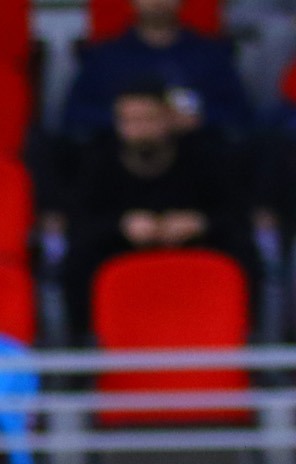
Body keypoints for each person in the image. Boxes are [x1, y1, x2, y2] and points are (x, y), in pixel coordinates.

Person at [64, 82, 249, 337]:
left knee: (242, 251)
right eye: (130, 121)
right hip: (119, 246)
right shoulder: (99, 162)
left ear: (169, 118)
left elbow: (236, 214)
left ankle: (246, 339)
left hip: (194, 245)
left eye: (149, 119)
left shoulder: (203, 157)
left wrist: (199, 222)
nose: (140, 129)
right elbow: (80, 221)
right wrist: (122, 226)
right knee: (78, 260)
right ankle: (83, 343)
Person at [62, 0, 254, 146]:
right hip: (117, 153)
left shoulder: (210, 54)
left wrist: (196, 120)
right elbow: (74, 114)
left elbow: (240, 112)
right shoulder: (104, 56)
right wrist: (131, 120)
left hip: (199, 150)